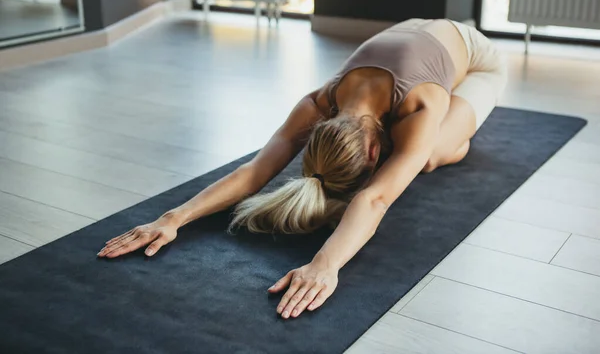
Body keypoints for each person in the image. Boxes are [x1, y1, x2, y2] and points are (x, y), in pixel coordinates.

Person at [98, 18, 507, 320]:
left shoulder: (419, 105)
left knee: (429, 156)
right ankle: (415, 147)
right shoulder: (316, 103)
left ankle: (452, 137)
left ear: (371, 156)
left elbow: (376, 197)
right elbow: (256, 171)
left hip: (475, 54)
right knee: (410, 154)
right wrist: (173, 219)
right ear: (319, 130)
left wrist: (325, 264)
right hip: (415, 35)